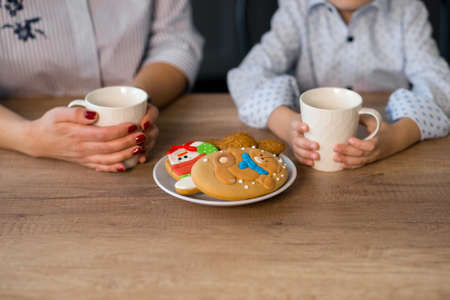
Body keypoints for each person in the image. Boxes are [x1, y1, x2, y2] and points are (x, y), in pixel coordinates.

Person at [227, 0, 450, 169]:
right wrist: (287, 124)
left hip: (393, 159)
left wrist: (398, 137)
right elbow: (248, 76)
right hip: (314, 157)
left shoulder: (407, 9)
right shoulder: (297, 7)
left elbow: (439, 82)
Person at [0, 0, 203, 172]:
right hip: (19, 155)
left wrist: (136, 103)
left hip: (146, 150)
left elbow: (175, 41)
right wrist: (28, 137)